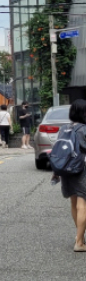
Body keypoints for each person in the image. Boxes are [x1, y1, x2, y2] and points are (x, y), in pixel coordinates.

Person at [57, 100, 86, 252]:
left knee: (74, 204)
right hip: (82, 169)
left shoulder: (64, 128)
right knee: (83, 205)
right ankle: (79, 243)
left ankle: (79, 236)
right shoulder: (84, 129)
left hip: (66, 169)